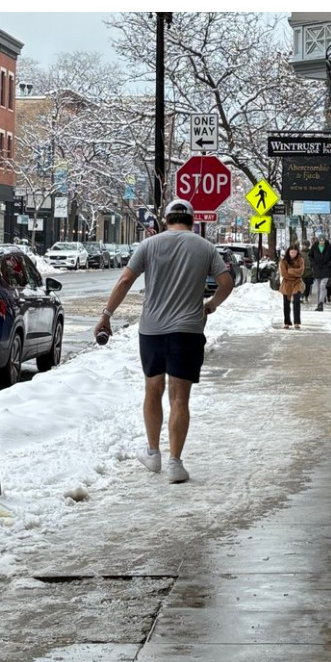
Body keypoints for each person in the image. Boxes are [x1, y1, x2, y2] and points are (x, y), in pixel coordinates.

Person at [94, 199, 233, 484]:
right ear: (192, 221)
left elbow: (124, 282)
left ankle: (153, 453)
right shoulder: (204, 247)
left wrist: (106, 315)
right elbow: (226, 282)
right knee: (179, 397)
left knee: (153, 389)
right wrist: (210, 305)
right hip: (188, 331)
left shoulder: (149, 245)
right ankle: (175, 463)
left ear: (166, 219)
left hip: (152, 330)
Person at [279, 244, 305, 329]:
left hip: (297, 283)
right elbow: (284, 273)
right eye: (291, 252)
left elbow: (301, 271)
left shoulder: (300, 260)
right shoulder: (284, 261)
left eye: (295, 252)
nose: (293, 254)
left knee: (296, 301)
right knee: (286, 303)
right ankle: (287, 322)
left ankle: (297, 322)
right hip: (286, 283)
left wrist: (290, 270)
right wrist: (294, 273)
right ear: (288, 252)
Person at [309, 232, 331, 311]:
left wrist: (329, 264)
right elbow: (310, 256)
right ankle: (319, 303)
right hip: (317, 269)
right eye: (320, 241)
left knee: (322, 286)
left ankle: (321, 303)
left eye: (323, 240)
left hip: (326, 270)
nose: (321, 242)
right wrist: (313, 264)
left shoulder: (329, 247)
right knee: (318, 287)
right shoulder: (314, 247)